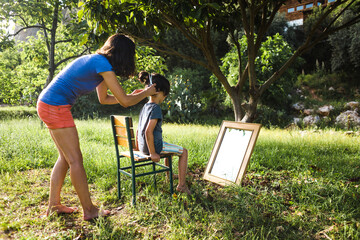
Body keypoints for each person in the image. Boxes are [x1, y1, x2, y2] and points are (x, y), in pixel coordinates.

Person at [37, 34, 157, 221]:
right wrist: (147, 93)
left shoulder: (99, 63)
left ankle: (54, 205)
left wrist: (138, 95)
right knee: (76, 160)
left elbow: (105, 99)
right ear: (123, 54)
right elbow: (125, 101)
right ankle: (89, 210)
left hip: (48, 103)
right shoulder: (102, 64)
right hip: (55, 106)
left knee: (66, 157)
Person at [137, 72, 191, 194]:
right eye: (164, 94)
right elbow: (148, 131)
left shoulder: (145, 106)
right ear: (158, 91)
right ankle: (182, 185)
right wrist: (153, 153)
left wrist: (138, 146)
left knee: (169, 148)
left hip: (143, 147)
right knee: (184, 152)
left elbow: (138, 129)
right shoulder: (155, 108)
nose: (164, 97)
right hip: (153, 148)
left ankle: (169, 175)